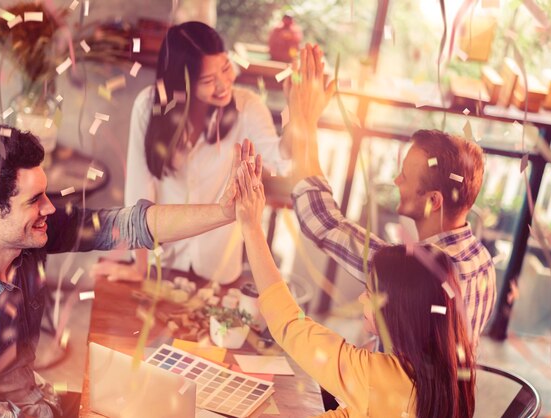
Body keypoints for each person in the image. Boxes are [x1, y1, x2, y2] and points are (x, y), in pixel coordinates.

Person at [0, 122, 255, 417]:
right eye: (35, 200)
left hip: (37, 398)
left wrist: (223, 212)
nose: (50, 208)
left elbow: (124, 225)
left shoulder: (22, 237)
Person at [288, 44, 495, 347]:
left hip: (396, 395)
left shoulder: (414, 275)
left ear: (434, 201)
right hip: (448, 396)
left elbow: (322, 222)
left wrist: (304, 121)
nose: (396, 180)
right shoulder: (482, 261)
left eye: (406, 177)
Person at [234, 158, 476, 417]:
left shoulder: (375, 376)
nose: (362, 298)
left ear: (399, 311)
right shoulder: (453, 375)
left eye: (371, 293)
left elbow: (290, 325)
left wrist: (251, 227)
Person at [92, 21, 292, 284]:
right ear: (181, 83)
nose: (223, 85)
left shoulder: (248, 107)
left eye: (225, 68)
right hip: (161, 261)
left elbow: (283, 160)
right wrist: (139, 268)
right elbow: (138, 194)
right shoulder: (147, 107)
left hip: (218, 270)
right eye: (208, 80)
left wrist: (299, 116)